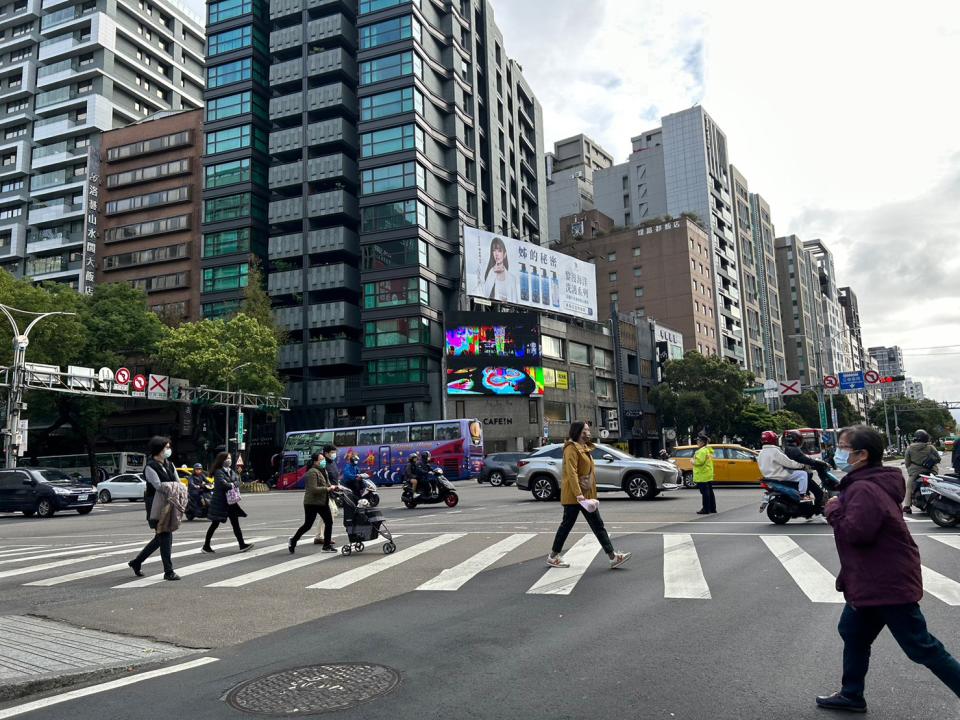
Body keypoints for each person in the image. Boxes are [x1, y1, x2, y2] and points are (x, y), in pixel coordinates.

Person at [817, 425, 960, 712]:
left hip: (885, 582)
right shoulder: (869, 481)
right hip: (873, 580)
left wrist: (832, 508)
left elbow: (858, 533)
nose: (838, 452)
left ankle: (851, 693)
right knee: (853, 631)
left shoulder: (864, 488)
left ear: (861, 455)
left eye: (843, 447)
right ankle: (851, 694)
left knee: (921, 647)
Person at [546, 421, 631, 570]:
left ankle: (613, 557)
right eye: (585, 429)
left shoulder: (584, 448)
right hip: (575, 496)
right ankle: (553, 557)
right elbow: (571, 473)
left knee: (598, 525)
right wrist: (578, 494)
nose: (588, 431)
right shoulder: (571, 448)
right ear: (579, 432)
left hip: (586, 496)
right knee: (567, 526)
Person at [128, 436, 184, 581]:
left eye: (169, 447)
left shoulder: (170, 465)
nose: (168, 450)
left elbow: (178, 483)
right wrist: (175, 486)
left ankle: (136, 562)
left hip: (170, 505)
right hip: (156, 506)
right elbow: (158, 486)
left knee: (161, 538)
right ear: (158, 449)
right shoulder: (150, 467)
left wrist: (178, 488)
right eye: (166, 447)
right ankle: (168, 571)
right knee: (165, 537)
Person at [289, 451, 339, 553]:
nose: (323, 461)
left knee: (329, 522)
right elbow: (313, 489)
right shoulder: (312, 472)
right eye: (321, 460)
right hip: (312, 503)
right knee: (308, 525)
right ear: (315, 462)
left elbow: (328, 484)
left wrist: (335, 488)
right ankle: (293, 540)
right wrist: (328, 489)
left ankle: (326, 546)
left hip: (322, 501)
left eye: (323, 459)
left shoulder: (323, 471)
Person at [203, 452, 254, 553]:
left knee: (235, 524)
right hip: (220, 503)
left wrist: (232, 483)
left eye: (230, 458)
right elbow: (223, 484)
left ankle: (242, 544)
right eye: (227, 458)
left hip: (230, 502)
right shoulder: (218, 472)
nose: (229, 460)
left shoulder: (231, 471)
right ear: (222, 460)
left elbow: (238, 482)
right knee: (215, 524)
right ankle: (206, 546)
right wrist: (233, 484)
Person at [758, 430, 813, 501]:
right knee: (803, 474)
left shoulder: (761, 453)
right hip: (779, 475)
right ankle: (802, 495)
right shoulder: (774, 451)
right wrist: (801, 465)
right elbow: (788, 463)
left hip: (768, 476)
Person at [783, 430, 830, 509]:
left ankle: (808, 505)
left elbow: (802, 460)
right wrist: (821, 463)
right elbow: (806, 460)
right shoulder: (794, 450)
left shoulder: (788, 448)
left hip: (794, 472)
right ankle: (817, 509)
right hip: (798, 474)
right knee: (818, 492)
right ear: (797, 439)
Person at [903, 429, 940, 514]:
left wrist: (910, 469)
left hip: (915, 473)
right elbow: (938, 458)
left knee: (909, 487)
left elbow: (907, 462)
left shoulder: (909, 448)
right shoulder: (930, 447)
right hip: (931, 471)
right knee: (937, 485)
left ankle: (907, 506)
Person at [314, 445, 340, 545]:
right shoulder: (323, 465)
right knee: (330, 513)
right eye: (332, 452)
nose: (334, 454)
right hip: (325, 492)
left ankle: (319, 536)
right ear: (326, 453)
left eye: (335, 452)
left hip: (332, 492)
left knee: (330, 513)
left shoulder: (333, 463)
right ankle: (323, 537)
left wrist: (338, 485)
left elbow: (334, 477)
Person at [480, 235, 517, 303]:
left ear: (505, 254)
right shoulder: (491, 272)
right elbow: (485, 294)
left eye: (499, 251)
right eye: (494, 251)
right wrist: (493, 273)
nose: (496, 254)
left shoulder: (512, 278)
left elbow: (515, 301)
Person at [693, 434, 717, 515]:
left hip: (702, 474)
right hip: (707, 473)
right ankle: (712, 508)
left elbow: (699, 462)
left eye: (698, 441)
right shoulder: (708, 450)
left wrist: (692, 461)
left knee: (705, 492)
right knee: (710, 491)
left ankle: (706, 509)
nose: (697, 442)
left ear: (703, 442)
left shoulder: (702, 451)